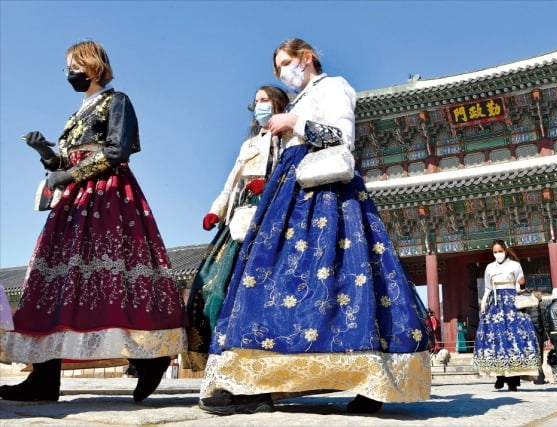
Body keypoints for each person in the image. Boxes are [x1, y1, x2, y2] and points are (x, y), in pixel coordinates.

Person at [198, 38, 431, 416]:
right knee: (274, 280)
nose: (284, 73)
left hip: (324, 196)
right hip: (288, 194)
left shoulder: (334, 86)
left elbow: (343, 138)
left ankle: (366, 378)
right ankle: (259, 380)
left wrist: (295, 123)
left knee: (342, 278)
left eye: (287, 63)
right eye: (279, 69)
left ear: (306, 58)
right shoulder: (298, 99)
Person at [0, 41, 187, 402]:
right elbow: (65, 166)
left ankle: (149, 358)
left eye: (72, 64)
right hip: (74, 202)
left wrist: (68, 177)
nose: (68, 72)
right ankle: (44, 376)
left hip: (106, 197)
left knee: (110, 276)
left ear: (90, 64)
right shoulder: (75, 114)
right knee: (52, 281)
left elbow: (118, 151)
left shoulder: (117, 100)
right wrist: (47, 155)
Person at [185, 85, 289, 371]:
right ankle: (220, 353)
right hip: (240, 215)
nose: (260, 106)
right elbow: (232, 182)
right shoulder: (250, 144)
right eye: (256, 101)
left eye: (265, 100)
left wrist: (271, 187)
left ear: (279, 104)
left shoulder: (290, 139)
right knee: (213, 283)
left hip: (274, 213)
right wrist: (215, 210)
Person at [473, 240, 539, 392]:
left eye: (499, 251)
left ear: (505, 251)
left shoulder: (515, 265)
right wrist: (483, 303)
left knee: (514, 338)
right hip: (495, 304)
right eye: (495, 252)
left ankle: (513, 381)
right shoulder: (489, 267)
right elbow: (488, 288)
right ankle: (499, 377)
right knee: (496, 338)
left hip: (511, 302)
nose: (497, 254)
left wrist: (521, 285)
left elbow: (520, 287)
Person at [520, 291, 546, 384]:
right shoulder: (535, 307)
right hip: (536, 334)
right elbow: (537, 322)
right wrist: (540, 332)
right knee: (539, 356)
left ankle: (538, 377)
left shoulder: (527, 307)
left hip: (529, 334)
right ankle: (539, 378)